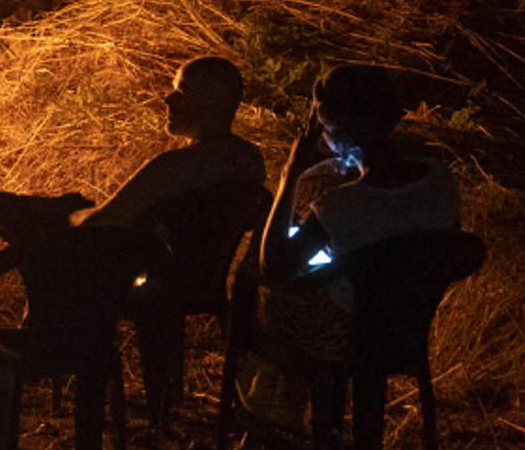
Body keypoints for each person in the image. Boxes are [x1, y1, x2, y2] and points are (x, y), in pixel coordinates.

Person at [72, 57, 268, 427]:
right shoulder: (248, 161)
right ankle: (165, 397)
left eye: (180, 92)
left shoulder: (171, 167)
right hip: (202, 281)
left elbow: (101, 223)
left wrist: (68, 216)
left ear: (211, 102)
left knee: (50, 229)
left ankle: (57, 364)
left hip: (150, 283)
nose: (167, 100)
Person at [255, 63, 462, 359]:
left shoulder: (340, 205)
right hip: (408, 328)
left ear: (328, 125)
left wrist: (291, 172)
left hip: (351, 334)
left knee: (264, 295)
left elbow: (273, 267)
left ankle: (272, 398)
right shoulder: (442, 180)